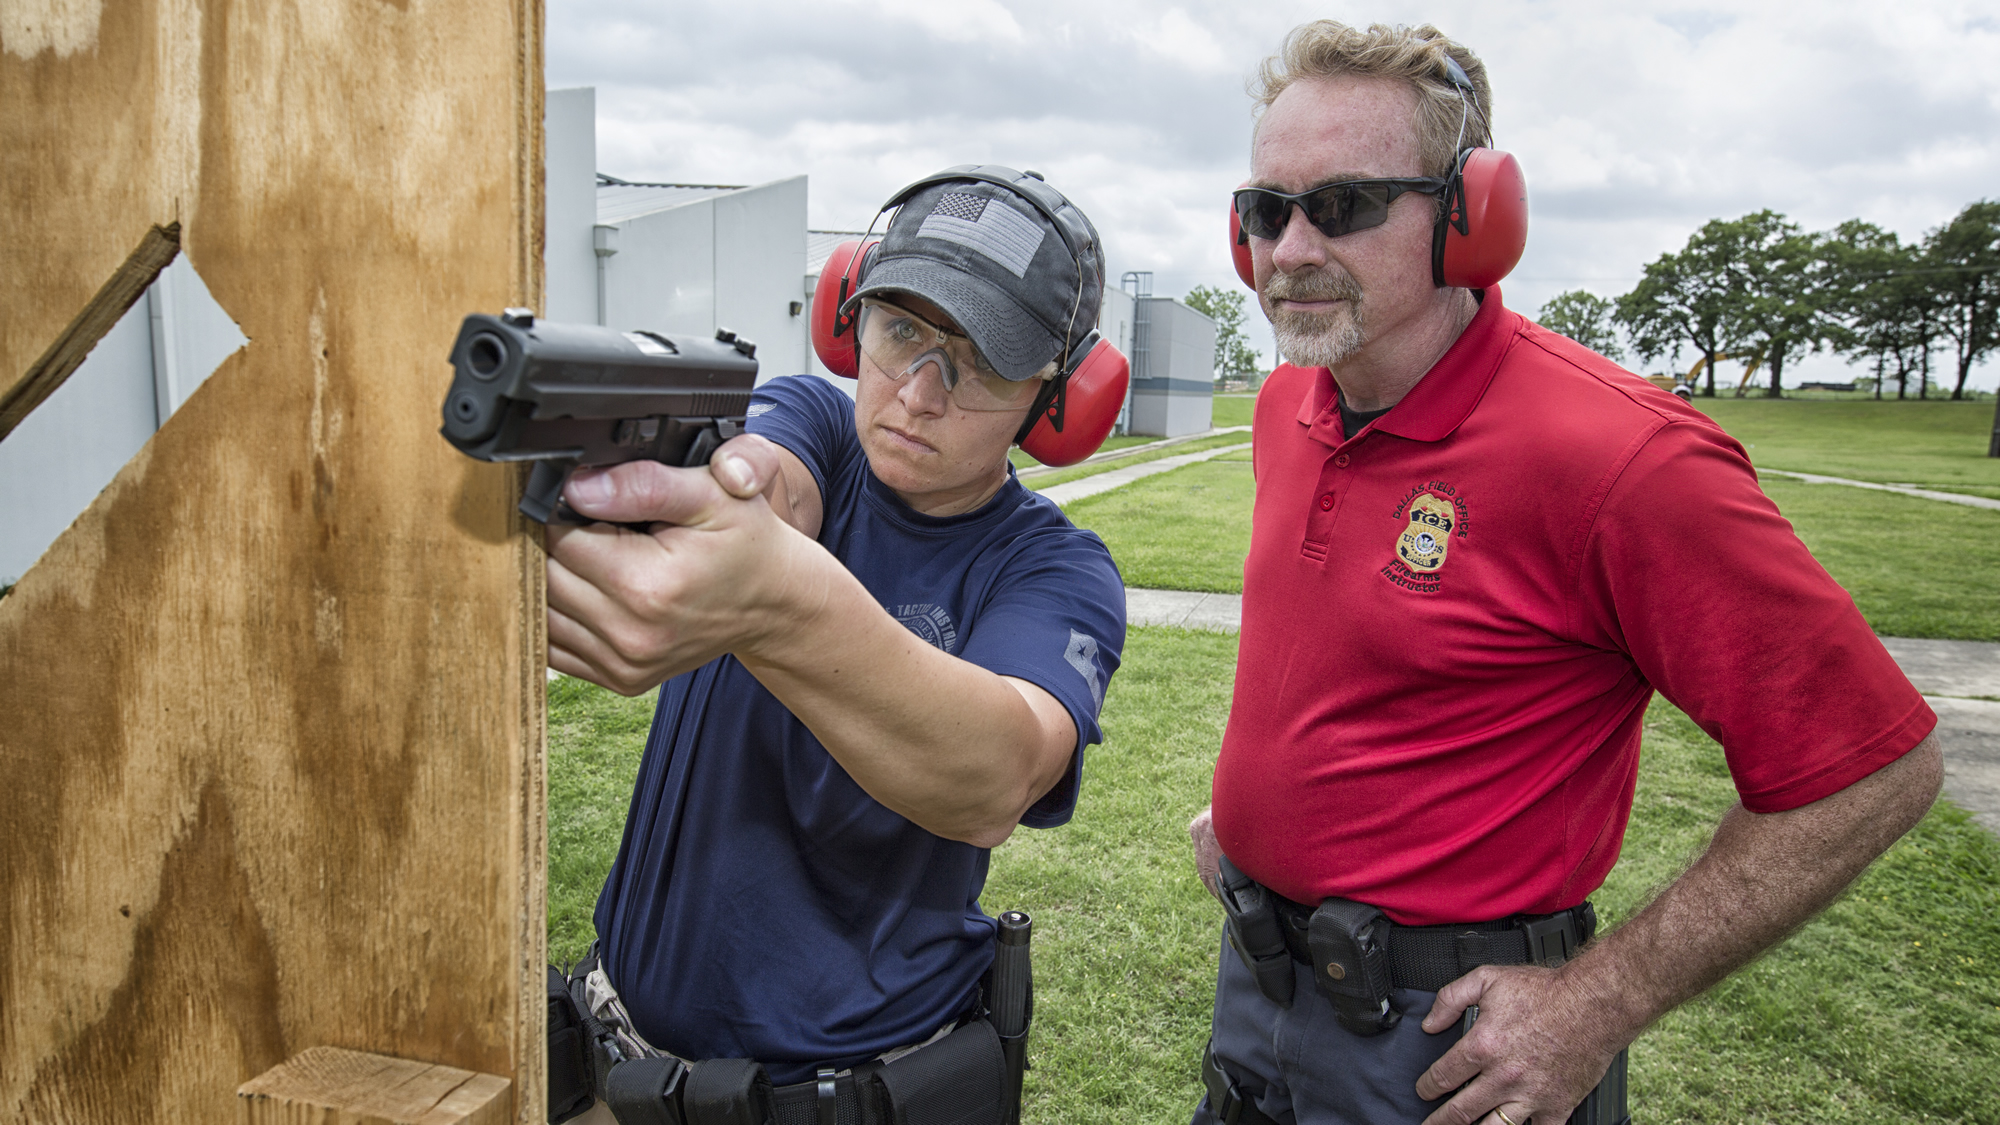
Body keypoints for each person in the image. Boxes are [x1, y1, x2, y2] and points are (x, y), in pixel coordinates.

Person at [1187, 21, 1943, 1125]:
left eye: (1342, 205)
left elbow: (1873, 768)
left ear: (1470, 214)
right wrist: (1255, 817)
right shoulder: (1285, 404)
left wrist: (1597, 1003)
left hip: (1444, 1048)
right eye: (1265, 210)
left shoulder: (1621, 457)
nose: (1289, 247)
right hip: (1257, 985)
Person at [546, 168, 1126, 1123]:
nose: (920, 392)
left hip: (843, 1098)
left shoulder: (1056, 571)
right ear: (849, 325)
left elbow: (992, 772)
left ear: (1056, 396)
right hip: (622, 1070)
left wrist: (771, 601)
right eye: (901, 332)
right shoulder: (819, 417)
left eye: (979, 359)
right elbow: (763, 484)